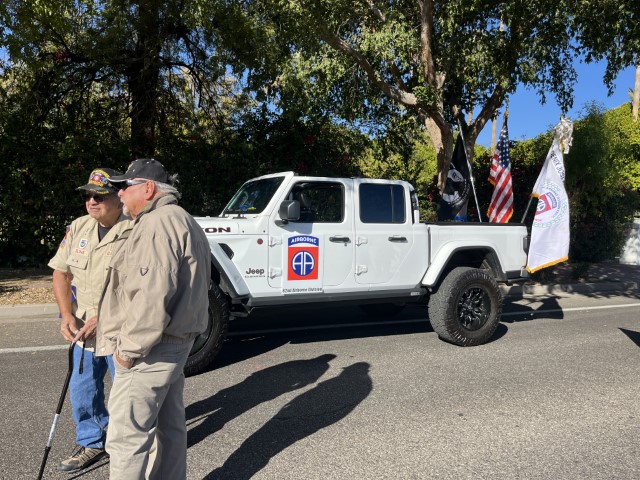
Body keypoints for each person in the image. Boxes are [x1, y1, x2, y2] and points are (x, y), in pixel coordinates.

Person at [93, 158, 211, 479]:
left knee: (126, 438)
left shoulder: (156, 223)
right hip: (175, 342)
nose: (119, 195)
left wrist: (128, 351)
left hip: (151, 349)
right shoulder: (183, 219)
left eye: (125, 188)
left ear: (148, 188)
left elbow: (151, 295)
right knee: (170, 428)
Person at [48, 168, 132, 473]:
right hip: (83, 328)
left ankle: (133, 444)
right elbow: (60, 272)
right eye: (88, 195)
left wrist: (104, 316)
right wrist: (66, 313)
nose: (91, 201)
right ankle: (92, 442)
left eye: (100, 195)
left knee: (129, 394)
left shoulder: (135, 230)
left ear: (120, 197)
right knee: (83, 390)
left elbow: (141, 288)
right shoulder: (78, 228)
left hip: (122, 330)